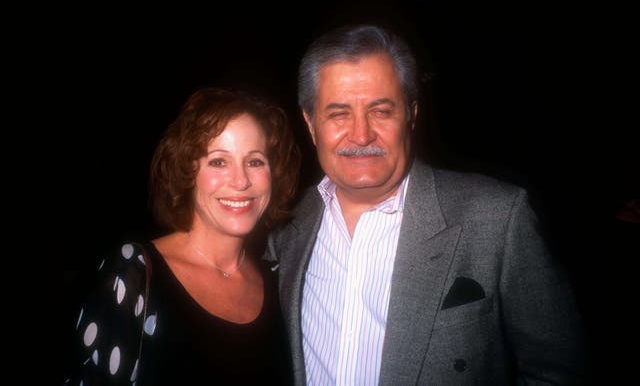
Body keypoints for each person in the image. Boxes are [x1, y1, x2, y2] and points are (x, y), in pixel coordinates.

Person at [265, 24, 587, 385]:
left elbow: (559, 372)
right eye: (339, 113)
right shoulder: (282, 226)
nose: (360, 134)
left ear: (411, 114)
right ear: (311, 124)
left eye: (381, 111)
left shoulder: (497, 219)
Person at [65, 87, 300, 384]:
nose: (241, 181)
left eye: (255, 161)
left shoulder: (280, 281)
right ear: (188, 171)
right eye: (218, 161)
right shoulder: (136, 273)